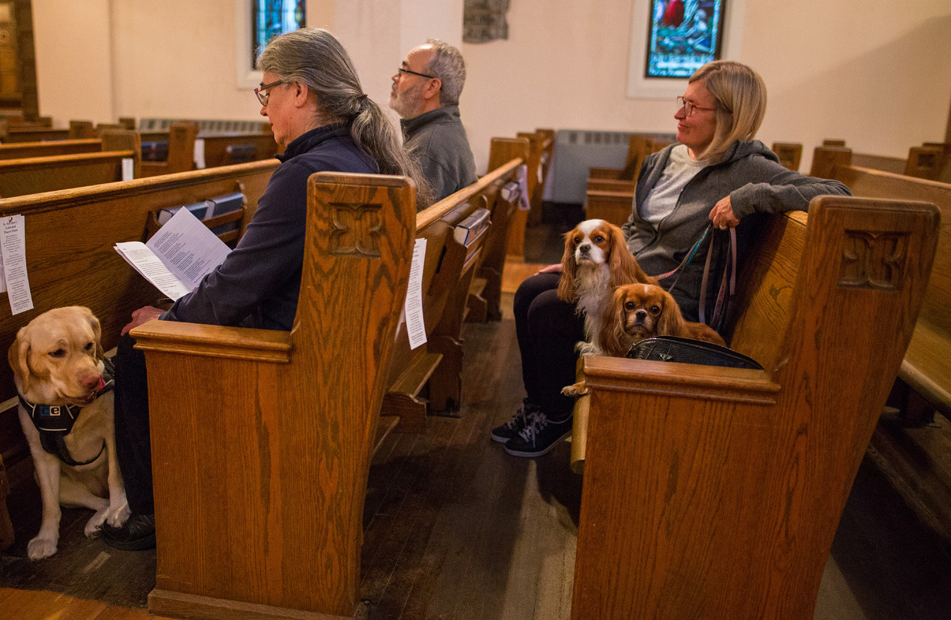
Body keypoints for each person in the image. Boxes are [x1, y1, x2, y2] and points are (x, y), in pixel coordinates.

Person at [101, 28, 432, 550]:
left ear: (300, 91)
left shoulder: (307, 170)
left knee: (139, 348)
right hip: (332, 344)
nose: (263, 109)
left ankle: (155, 512)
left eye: (267, 91)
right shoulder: (356, 154)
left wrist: (167, 322)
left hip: (290, 360)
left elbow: (236, 290)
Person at [493, 60, 851, 459]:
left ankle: (557, 415)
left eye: (694, 107)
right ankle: (539, 404)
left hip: (663, 301)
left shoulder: (749, 168)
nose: (679, 113)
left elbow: (837, 191)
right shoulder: (662, 160)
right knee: (528, 291)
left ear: (731, 116)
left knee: (547, 309)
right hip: (620, 282)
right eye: (683, 101)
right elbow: (632, 228)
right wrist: (589, 261)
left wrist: (750, 198)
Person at [389, 39, 477, 200]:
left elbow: (407, 223)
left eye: (404, 71)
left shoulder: (428, 152)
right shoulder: (447, 130)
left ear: (431, 87)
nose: (395, 77)